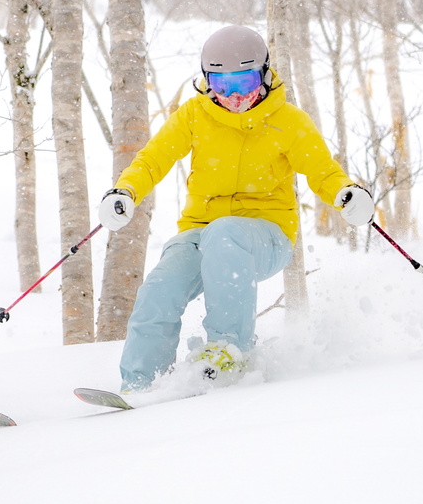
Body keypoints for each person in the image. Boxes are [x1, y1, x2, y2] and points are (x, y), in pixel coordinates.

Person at [97, 25, 373, 393]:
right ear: (207, 80)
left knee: (225, 233)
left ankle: (228, 352)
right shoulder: (194, 115)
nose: (233, 96)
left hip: (266, 237)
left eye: (243, 83)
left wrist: (347, 194)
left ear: (263, 73)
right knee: (159, 290)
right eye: (221, 85)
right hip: (200, 233)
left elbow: (323, 171)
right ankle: (142, 383)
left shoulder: (287, 121)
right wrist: (125, 191)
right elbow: (153, 159)